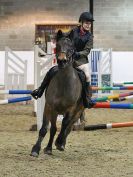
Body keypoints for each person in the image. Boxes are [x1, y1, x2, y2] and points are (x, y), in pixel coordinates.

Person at [31, 12, 95, 108]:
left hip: (81, 60)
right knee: (52, 70)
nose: (88, 25)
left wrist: (78, 54)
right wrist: (59, 39)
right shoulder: (74, 31)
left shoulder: (90, 36)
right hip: (68, 59)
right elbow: (64, 37)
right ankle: (40, 90)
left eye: (89, 24)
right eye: (86, 23)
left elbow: (87, 50)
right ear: (81, 23)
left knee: (87, 75)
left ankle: (87, 99)